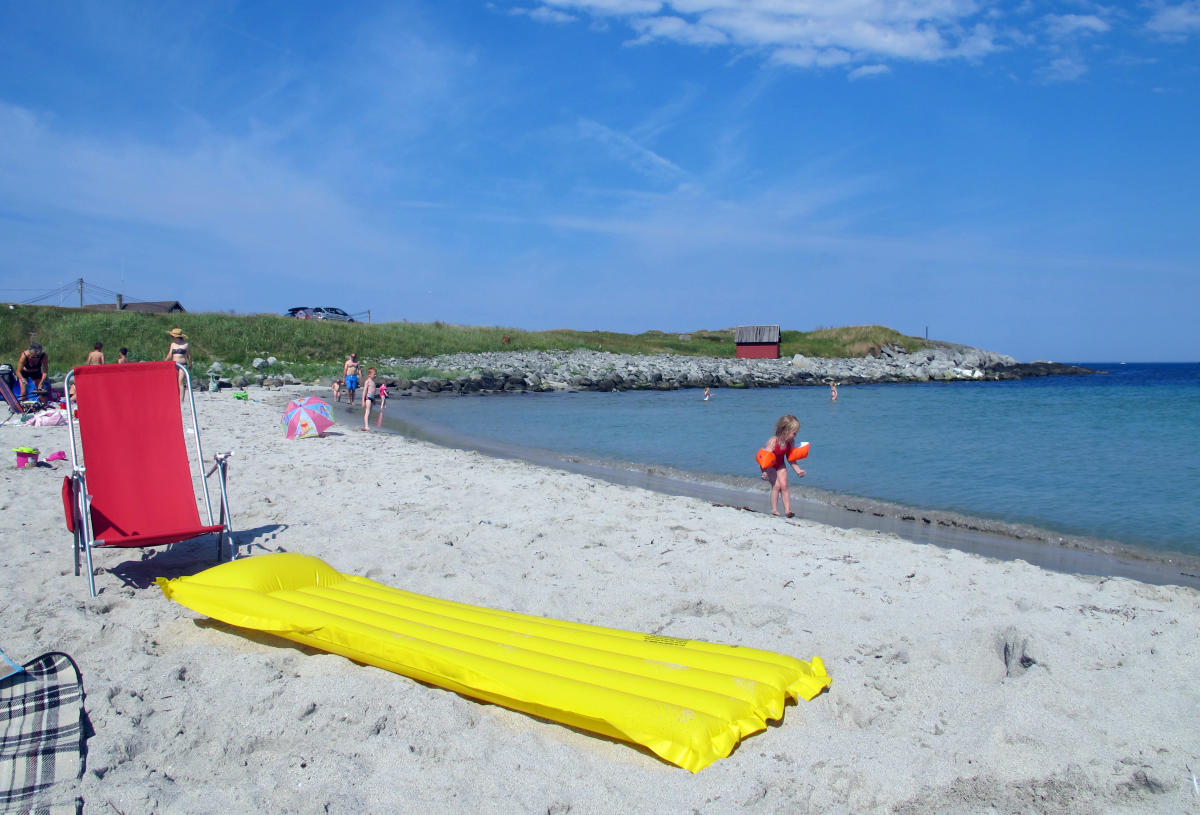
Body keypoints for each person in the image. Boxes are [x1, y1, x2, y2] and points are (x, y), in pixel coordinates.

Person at [762, 414, 806, 518]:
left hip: (780, 464)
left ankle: (788, 511)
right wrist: (765, 472)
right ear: (785, 430)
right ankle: (774, 509)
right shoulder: (773, 441)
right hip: (769, 466)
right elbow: (765, 459)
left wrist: (798, 470)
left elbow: (791, 459)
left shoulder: (790, 442)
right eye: (794, 433)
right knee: (777, 486)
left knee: (784, 486)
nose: (795, 436)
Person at [165, 328, 192, 399]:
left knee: (180, 382)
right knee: (175, 382)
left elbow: (189, 355)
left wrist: (190, 364)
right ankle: (176, 397)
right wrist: (164, 362)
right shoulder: (173, 344)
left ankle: (181, 399)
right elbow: (169, 355)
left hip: (183, 365)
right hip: (174, 365)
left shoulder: (186, 344)